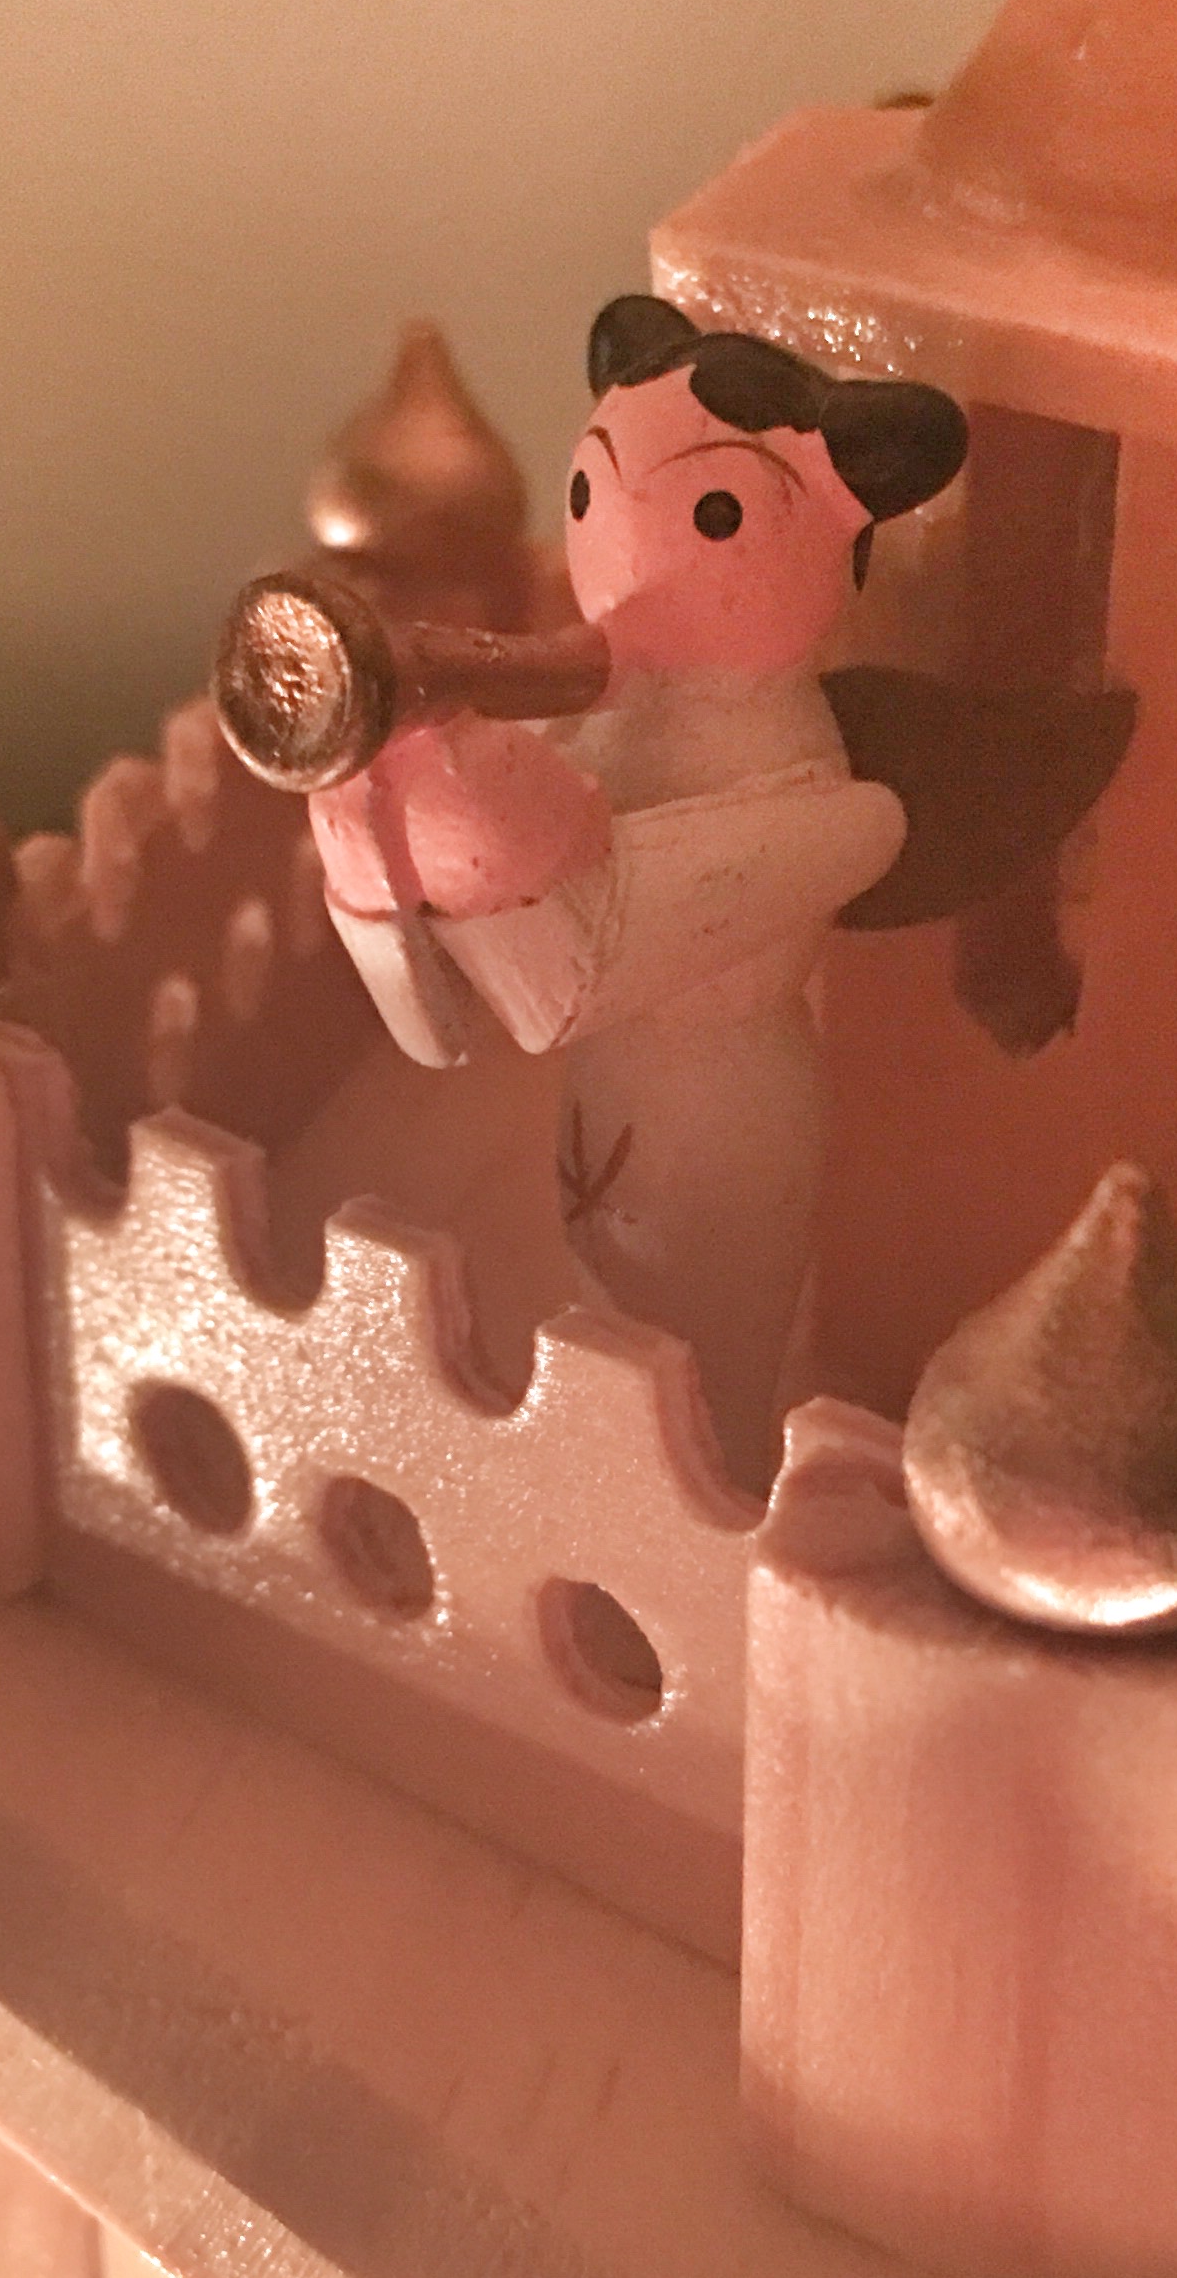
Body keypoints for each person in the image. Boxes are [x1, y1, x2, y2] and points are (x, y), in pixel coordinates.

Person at [307, 294, 966, 1488]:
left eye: (713, 515)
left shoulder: (835, 811)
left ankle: (716, 1531)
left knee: (712, 1393)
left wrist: (459, 808)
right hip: (598, 1116)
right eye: (588, 493)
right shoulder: (603, 717)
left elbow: (567, 976)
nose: (624, 552)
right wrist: (371, 830)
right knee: (605, 1338)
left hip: (722, 1137)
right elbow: (440, 1023)